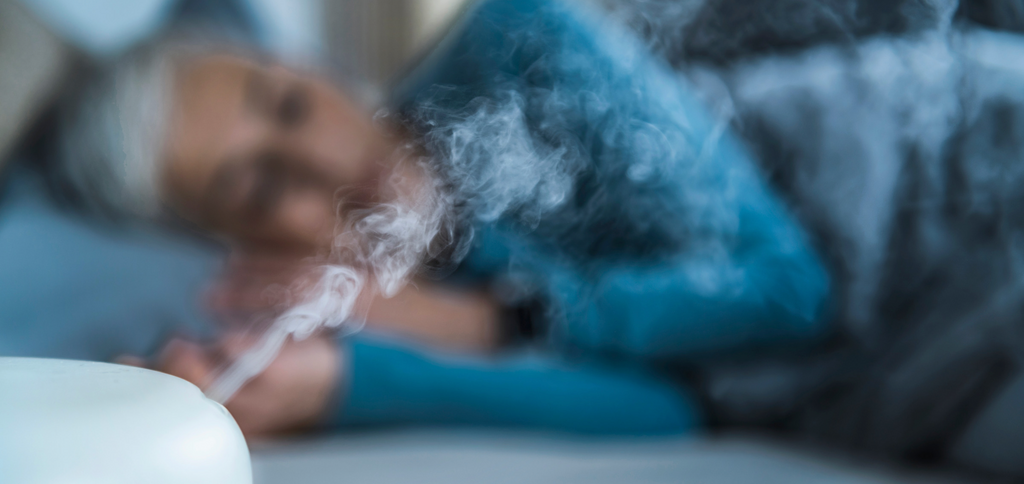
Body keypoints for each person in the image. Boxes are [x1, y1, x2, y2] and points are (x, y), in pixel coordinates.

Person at [52, 0, 831, 439]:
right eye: (259, 187)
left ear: (310, 67)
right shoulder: (352, 303)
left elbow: (788, 290)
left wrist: (494, 320)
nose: (325, 159)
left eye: (290, 106)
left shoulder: (520, 39)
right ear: (240, 240)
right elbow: (670, 410)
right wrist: (344, 387)